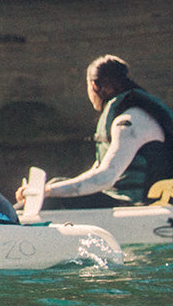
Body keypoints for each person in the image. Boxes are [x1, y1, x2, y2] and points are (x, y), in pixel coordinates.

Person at [38, 56, 173, 208]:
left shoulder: (128, 122)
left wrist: (48, 192)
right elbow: (95, 173)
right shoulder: (138, 113)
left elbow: (105, 177)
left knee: (51, 199)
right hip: (129, 203)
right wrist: (45, 190)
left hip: (138, 206)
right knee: (57, 183)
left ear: (95, 86)